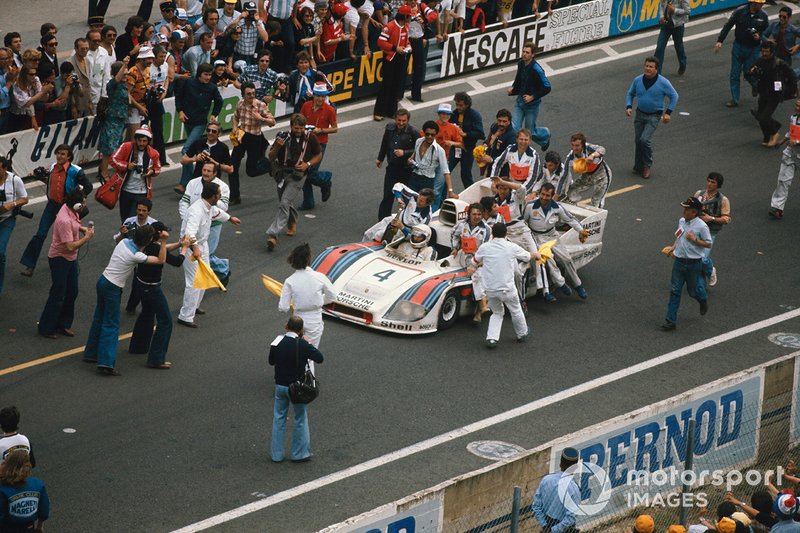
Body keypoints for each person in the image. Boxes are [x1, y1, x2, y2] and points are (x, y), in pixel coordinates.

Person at [84, 225, 167, 376]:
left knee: (99, 318)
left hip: (103, 280)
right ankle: (106, 363)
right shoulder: (136, 256)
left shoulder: (124, 243)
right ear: (147, 241)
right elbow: (161, 260)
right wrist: (163, 242)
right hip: (113, 287)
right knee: (111, 324)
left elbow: (130, 242)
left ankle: (91, 353)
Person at [20, 145, 93, 277]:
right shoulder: (53, 167)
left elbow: (88, 186)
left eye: (63, 154)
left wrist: (77, 199)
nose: (59, 156)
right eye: (58, 153)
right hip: (52, 205)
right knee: (40, 234)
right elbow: (52, 182)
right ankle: (29, 265)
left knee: (68, 237)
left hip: (67, 208)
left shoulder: (76, 171)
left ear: (69, 156)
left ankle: (70, 264)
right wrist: (40, 177)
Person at [177, 181, 241, 328]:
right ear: (213, 197)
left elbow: (217, 213)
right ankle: (185, 316)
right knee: (193, 282)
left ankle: (194, 306)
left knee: (204, 277)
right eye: (218, 194)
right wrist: (195, 248)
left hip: (202, 244)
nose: (220, 196)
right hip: (191, 247)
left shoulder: (208, 206)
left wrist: (230, 218)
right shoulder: (196, 211)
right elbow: (189, 234)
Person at [129, 222, 191, 369]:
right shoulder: (157, 247)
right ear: (159, 234)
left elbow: (164, 249)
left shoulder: (147, 244)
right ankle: (156, 358)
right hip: (152, 288)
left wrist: (179, 243)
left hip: (141, 284)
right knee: (165, 321)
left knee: (147, 313)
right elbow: (176, 261)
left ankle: (138, 346)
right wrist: (185, 248)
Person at [37, 189, 95, 339]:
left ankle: (63, 324)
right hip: (60, 259)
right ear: (76, 205)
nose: (85, 204)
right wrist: (86, 237)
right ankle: (46, 327)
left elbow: (74, 227)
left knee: (72, 291)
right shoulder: (64, 220)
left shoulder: (70, 210)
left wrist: (82, 229)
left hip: (70, 258)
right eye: (83, 202)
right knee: (58, 294)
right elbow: (70, 246)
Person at [469, 222, 538, 348]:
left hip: (490, 289)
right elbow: (528, 257)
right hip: (507, 288)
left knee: (496, 313)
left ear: (493, 234)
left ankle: (492, 339)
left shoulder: (485, 247)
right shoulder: (511, 247)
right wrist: (537, 254)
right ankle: (522, 333)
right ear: (506, 233)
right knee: (516, 310)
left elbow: (474, 262)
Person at [269, 315, 324, 463]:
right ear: (301, 330)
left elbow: (271, 361)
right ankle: (300, 453)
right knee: (300, 418)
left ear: (286, 327)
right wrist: (308, 343)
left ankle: (277, 455)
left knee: (278, 419)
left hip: (280, 386)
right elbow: (319, 358)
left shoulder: (277, 342)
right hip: (297, 388)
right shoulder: (302, 344)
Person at [523, 183, 590, 302]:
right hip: (537, 237)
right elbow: (523, 222)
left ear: (552, 196)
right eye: (542, 194)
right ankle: (561, 284)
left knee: (567, 260)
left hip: (552, 236)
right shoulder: (530, 206)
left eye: (547, 195)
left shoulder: (557, 207)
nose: (544, 197)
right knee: (549, 260)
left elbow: (570, 219)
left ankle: (578, 285)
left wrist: (581, 230)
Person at [266, 114, 323, 252]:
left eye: (301, 128)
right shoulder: (282, 136)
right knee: (285, 202)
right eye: (296, 128)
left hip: (298, 175)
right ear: (291, 126)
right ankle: (292, 221)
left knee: (285, 202)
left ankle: (273, 234)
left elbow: (318, 154)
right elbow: (271, 157)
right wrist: (278, 147)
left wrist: (307, 164)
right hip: (282, 173)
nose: (298, 130)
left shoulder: (311, 138)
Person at [278, 243, 336, 364]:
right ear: (309, 259)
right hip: (314, 319)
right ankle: (308, 381)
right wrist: (318, 301)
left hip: (297, 320)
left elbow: (283, 307)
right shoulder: (320, 277)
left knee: (295, 353)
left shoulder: (290, 281)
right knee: (310, 355)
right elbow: (332, 297)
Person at [661, 196, 712, 331]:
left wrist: (694, 239)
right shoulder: (682, 221)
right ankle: (670, 320)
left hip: (693, 264)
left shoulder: (702, 226)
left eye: (687, 209)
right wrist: (673, 247)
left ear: (694, 212)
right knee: (675, 291)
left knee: (693, 291)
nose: (684, 211)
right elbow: (679, 236)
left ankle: (702, 299)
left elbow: (708, 243)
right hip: (679, 262)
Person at [625, 56, 679, 180]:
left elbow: (674, 96)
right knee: (638, 140)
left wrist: (668, 113)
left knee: (644, 140)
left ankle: (647, 166)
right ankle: (638, 166)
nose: (648, 68)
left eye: (651, 67)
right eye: (646, 66)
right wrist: (628, 106)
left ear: (656, 69)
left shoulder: (663, 82)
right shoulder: (637, 80)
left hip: (654, 115)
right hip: (640, 114)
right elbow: (630, 93)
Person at [180, 161, 232, 285]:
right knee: (200, 253)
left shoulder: (222, 187)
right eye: (204, 170)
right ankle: (206, 276)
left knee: (207, 254)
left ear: (215, 173)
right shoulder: (193, 183)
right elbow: (184, 202)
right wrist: (186, 217)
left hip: (213, 225)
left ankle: (223, 269)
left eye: (209, 171)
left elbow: (223, 207)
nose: (205, 173)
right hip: (193, 223)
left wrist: (212, 196)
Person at [174, 63, 223, 194]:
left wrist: (214, 114)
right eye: (205, 75)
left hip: (200, 123)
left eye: (210, 75)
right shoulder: (188, 83)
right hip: (188, 121)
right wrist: (180, 111)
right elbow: (178, 97)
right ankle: (194, 179)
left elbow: (219, 101)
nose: (208, 77)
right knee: (193, 149)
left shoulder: (212, 87)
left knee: (186, 149)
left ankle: (184, 183)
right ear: (199, 74)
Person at [714, 0, 769, 108]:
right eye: (760, 3)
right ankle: (735, 99)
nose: (762, 5)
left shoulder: (763, 15)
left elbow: (766, 32)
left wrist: (760, 37)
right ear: (753, 3)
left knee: (749, 72)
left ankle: (756, 86)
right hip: (739, 46)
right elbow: (728, 25)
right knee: (734, 74)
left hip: (754, 48)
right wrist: (720, 40)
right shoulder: (740, 11)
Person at [230, 82, 275, 205]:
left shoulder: (260, 106)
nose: (251, 96)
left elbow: (272, 122)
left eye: (253, 93)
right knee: (232, 167)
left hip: (255, 138)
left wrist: (261, 119)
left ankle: (270, 166)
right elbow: (236, 116)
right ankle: (235, 196)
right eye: (248, 94)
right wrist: (234, 127)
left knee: (251, 171)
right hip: (242, 136)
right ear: (243, 94)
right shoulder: (240, 104)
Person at [109, 125, 161, 223]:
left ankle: (131, 237)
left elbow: (158, 169)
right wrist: (126, 166)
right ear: (136, 139)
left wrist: (151, 172)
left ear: (148, 141)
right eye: (139, 140)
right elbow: (113, 159)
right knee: (125, 220)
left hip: (141, 194)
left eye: (144, 141)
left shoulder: (154, 153)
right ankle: (125, 236)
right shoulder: (126, 147)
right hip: (125, 191)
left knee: (133, 221)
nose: (141, 143)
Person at [747, 41, 794, 147]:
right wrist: (751, 72)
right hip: (763, 93)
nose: (764, 54)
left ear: (772, 52)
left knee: (764, 117)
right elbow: (748, 73)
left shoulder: (779, 63)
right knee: (760, 117)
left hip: (774, 95)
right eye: (763, 51)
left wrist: (792, 89)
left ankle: (774, 132)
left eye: (767, 51)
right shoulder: (759, 61)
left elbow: (792, 75)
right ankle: (767, 136)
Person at [299, 83, 338, 210]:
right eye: (317, 96)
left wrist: (320, 130)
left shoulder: (330, 110)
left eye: (322, 96)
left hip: (320, 143)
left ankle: (326, 180)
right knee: (303, 172)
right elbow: (300, 121)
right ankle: (308, 203)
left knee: (310, 173)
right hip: (305, 143)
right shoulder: (306, 106)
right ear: (313, 95)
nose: (320, 99)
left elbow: (335, 129)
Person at [449, 203, 491, 321]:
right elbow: (454, 235)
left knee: (478, 276)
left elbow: (486, 249)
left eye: (479, 214)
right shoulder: (462, 225)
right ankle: (481, 309)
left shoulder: (486, 229)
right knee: (477, 276)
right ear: (469, 214)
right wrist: (455, 248)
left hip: (480, 259)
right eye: (474, 214)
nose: (476, 217)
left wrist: (476, 264)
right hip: (464, 256)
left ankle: (481, 309)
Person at [507, 41, 551, 150]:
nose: (524, 54)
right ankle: (514, 151)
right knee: (514, 129)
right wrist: (513, 89)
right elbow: (519, 79)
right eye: (523, 51)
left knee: (529, 133)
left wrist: (532, 97)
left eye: (527, 52)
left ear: (532, 55)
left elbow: (547, 87)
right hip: (520, 102)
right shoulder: (521, 63)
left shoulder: (537, 69)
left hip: (532, 106)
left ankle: (545, 135)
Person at [376, 109, 419, 219]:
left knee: (406, 197)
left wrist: (404, 153)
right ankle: (382, 221)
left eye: (403, 121)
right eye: (399, 120)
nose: (401, 123)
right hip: (392, 168)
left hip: (406, 169)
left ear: (408, 120)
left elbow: (419, 149)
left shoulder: (413, 132)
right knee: (388, 195)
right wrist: (380, 158)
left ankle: (407, 220)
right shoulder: (390, 128)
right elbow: (384, 143)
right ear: (395, 119)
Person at [372, 5, 411, 121]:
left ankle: (391, 111)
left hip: (401, 58)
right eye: (408, 16)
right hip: (390, 58)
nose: (410, 18)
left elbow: (407, 40)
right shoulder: (389, 26)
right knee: (386, 85)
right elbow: (381, 42)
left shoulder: (406, 27)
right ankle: (378, 111)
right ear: (404, 16)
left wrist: (408, 47)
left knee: (396, 84)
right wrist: (395, 48)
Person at [532, 447, 580, 533]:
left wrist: (545, 526)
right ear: (575, 467)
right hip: (563, 530)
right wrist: (553, 530)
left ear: (560, 463)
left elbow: (536, 506)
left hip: (546, 524)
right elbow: (571, 517)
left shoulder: (546, 480)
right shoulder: (573, 489)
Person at [694, 172, 730, 287]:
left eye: (713, 182)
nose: (709, 184)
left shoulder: (723, 200)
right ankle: (700, 284)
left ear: (718, 185)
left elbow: (727, 219)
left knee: (703, 258)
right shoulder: (699, 194)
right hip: (697, 228)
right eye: (708, 180)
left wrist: (711, 218)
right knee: (694, 257)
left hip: (710, 231)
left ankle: (711, 270)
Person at [364, 184, 435, 242]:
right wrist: (399, 199)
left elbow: (415, 237)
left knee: (378, 236)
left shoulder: (426, 218)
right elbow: (398, 186)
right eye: (419, 198)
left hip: (405, 232)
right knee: (368, 233)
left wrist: (401, 227)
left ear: (427, 204)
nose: (418, 201)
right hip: (395, 219)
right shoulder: (414, 196)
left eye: (421, 201)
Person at [98, 59, 131, 183]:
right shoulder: (112, 84)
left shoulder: (123, 85)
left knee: (116, 145)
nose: (125, 76)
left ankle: (105, 168)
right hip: (112, 119)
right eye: (124, 73)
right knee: (108, 148)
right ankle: (104, 172)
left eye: (127, 74)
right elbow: (116, 79)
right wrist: (125, 64)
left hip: (121, 120)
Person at [0, 451, 49, 532]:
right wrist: (40, 525)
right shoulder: (38, 484)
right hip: (28, 527)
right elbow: (44, 510)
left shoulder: (2, 488)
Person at [408, 120, 457, 200]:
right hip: (414, 177)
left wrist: (450, 191)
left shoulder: (439, 150)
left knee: (422, 205)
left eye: (432, 135)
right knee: (409, 202)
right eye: (427, 134)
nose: (429, 136)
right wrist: (410, 159)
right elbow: (415, 153)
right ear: (424, 133)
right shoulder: (418, 141)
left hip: (427, 181)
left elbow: (446, 172)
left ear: (436, 135)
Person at [561, 133, 612, 208]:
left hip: (602, 175)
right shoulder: (570, 158)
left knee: (596, 202)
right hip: (587, 175)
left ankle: (598, 219)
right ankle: (570, 216)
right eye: (572, 145)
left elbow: (602, 149)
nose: (574, 148)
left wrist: (593, 155)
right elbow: (564, 176)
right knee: (570, 193)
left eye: (577, 145)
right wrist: (558, 193)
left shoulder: (589, 147)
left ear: (583, 145)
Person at [0, 156, 27, 296]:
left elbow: (24, 198)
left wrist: (12, 204)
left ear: (4, 169)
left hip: (6, 220)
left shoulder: (15, 180)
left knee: (0, 253)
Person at [428, 103, 463, 210]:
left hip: (442, 161)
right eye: (443, 114)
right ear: (439, 114)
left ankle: (433, 212)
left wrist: (452, 143)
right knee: (426, 189)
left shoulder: (453, 128)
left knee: (436, 190)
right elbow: (422, 139)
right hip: (428, 162)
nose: (445, 116)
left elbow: (461, 144)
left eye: (447, 114)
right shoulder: (431, 125)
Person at [770, 98, 800, 220]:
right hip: (791, 153)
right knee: (783, 180)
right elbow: (791, 132)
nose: (797, 108)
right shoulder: (793, 117)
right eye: (796, 105)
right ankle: (777, 207)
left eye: (799, 106)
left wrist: (797, 142)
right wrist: (782, 141)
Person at [489, 128, 544, 193]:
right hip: (510, 186)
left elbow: (533, 177)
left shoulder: (534, 155)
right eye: (521, 139)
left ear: (530, 141)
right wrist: (494, 181)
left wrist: (522, 190)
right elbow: (498, 163)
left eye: (526, 140)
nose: (523, 142)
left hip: (526, 188)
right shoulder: (509, 149)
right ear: (517, 139)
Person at [449, 92, 484, 188]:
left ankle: (471, 197)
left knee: (466, 175)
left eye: (461, 105)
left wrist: (466, 134)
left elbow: (480, 134)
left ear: (467, 105)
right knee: (446, 172)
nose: (458, 107)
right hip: (455, 148)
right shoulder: (453, 114)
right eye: (457, 105)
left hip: (467, 149)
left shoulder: (474, 115)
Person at [653, 0, 690, 75]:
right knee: (660, 47)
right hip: (665, 25)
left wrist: (675, 10)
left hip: (677, 25)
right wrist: (661, 16)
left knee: (678, 46)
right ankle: (657, 72)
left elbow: (687, 11)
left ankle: (683, 64)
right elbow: (661, 6)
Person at [476, 109, 516, 176]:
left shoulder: (511, 136)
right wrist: (485, 145)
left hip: (502, 170)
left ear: (509, 122)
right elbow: (488, 140)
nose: (501, 124)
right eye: (499, 121)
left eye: (504, 121)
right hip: (490, 164)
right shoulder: (494, 126)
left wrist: (491, 159)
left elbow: (509, 156)